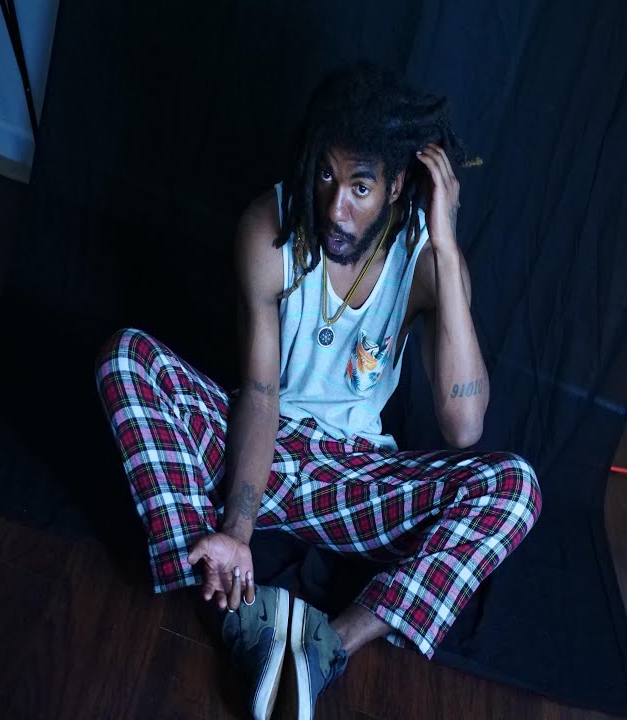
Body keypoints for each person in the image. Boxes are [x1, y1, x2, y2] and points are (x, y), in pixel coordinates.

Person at [96, 63, 541, 720]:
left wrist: (447, 248)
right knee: (127, 359)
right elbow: (260, 392)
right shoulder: (269, 225)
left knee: (515, 487)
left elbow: (465, 426)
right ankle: (241, 616)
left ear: (395, 186)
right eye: (326, 175)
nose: (336, 206)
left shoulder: (424, 257)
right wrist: (237, 531)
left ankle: (328, 646)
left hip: (354, 480)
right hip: (259, 453)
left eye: (360, 186)